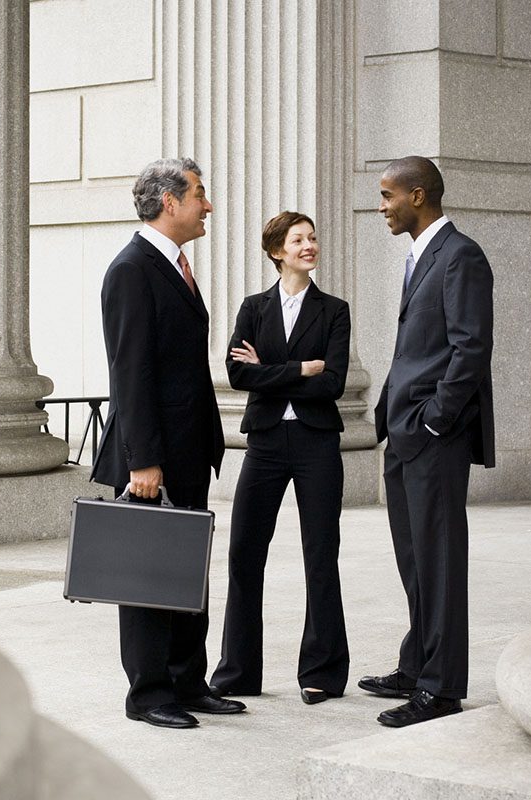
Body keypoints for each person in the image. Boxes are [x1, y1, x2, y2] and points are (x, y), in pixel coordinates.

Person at [89, 157, 245, 729]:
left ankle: (186, 682)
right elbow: (130, 373)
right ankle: (150, 695)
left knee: (185, 571)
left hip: (187, 449)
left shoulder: (175, 266)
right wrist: (144, 461)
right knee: (149, 576)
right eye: (200, 194)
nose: (207, 205)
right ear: (169, 202)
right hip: (153, 457)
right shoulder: (131, 269)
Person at [359, 156, 495, 727]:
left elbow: (471, 348)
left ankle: (441, 689)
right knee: (414, 559)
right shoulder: (422, 257)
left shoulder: (461, 256)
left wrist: (436, 420)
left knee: (438, 562)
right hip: (406, 433)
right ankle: (418, 664)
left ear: (418, 195)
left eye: (388, 195)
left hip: (433, 436)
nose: (382, 206)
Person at [208, 212, 351, 705]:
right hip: (265, 443)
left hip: (316, 444)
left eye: (313, 237)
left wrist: (271, 369)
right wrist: (299, 369)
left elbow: (332, 382)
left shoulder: (334, 311)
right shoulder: (253, 308)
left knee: (320, 554)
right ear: (277, 252)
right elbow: (237, 375)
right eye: (298, 240)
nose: (309, 245)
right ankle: (238, 673)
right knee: (244, 552)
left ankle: (323, 673)